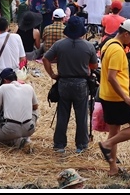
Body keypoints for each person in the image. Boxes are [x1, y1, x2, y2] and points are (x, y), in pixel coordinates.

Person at [42, 15, 98, 153]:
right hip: (81, 83)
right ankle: (81, 145)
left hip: (64, 82)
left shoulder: (59, 44)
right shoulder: (89, 46)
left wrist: (52, 75)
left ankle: (59, 145)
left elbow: (45, 59)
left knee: (62, 115)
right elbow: (94, 65)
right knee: (82, 115)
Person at [98, 20, 130, 177]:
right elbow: (112, 77)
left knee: (114, 131)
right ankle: (107, 144)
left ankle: (113, 168)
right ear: (126, 34)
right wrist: (126, 97)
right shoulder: (118, 51)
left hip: (107, 95)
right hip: (117, 98)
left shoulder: (108, 43)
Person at [0, 67, 39, 150]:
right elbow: (35, 107)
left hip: (11, 129)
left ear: (4, 80)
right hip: (29, 128)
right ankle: (25, 139)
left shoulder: (3, 87)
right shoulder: (29, 87)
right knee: (35, 111)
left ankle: (16, 141)